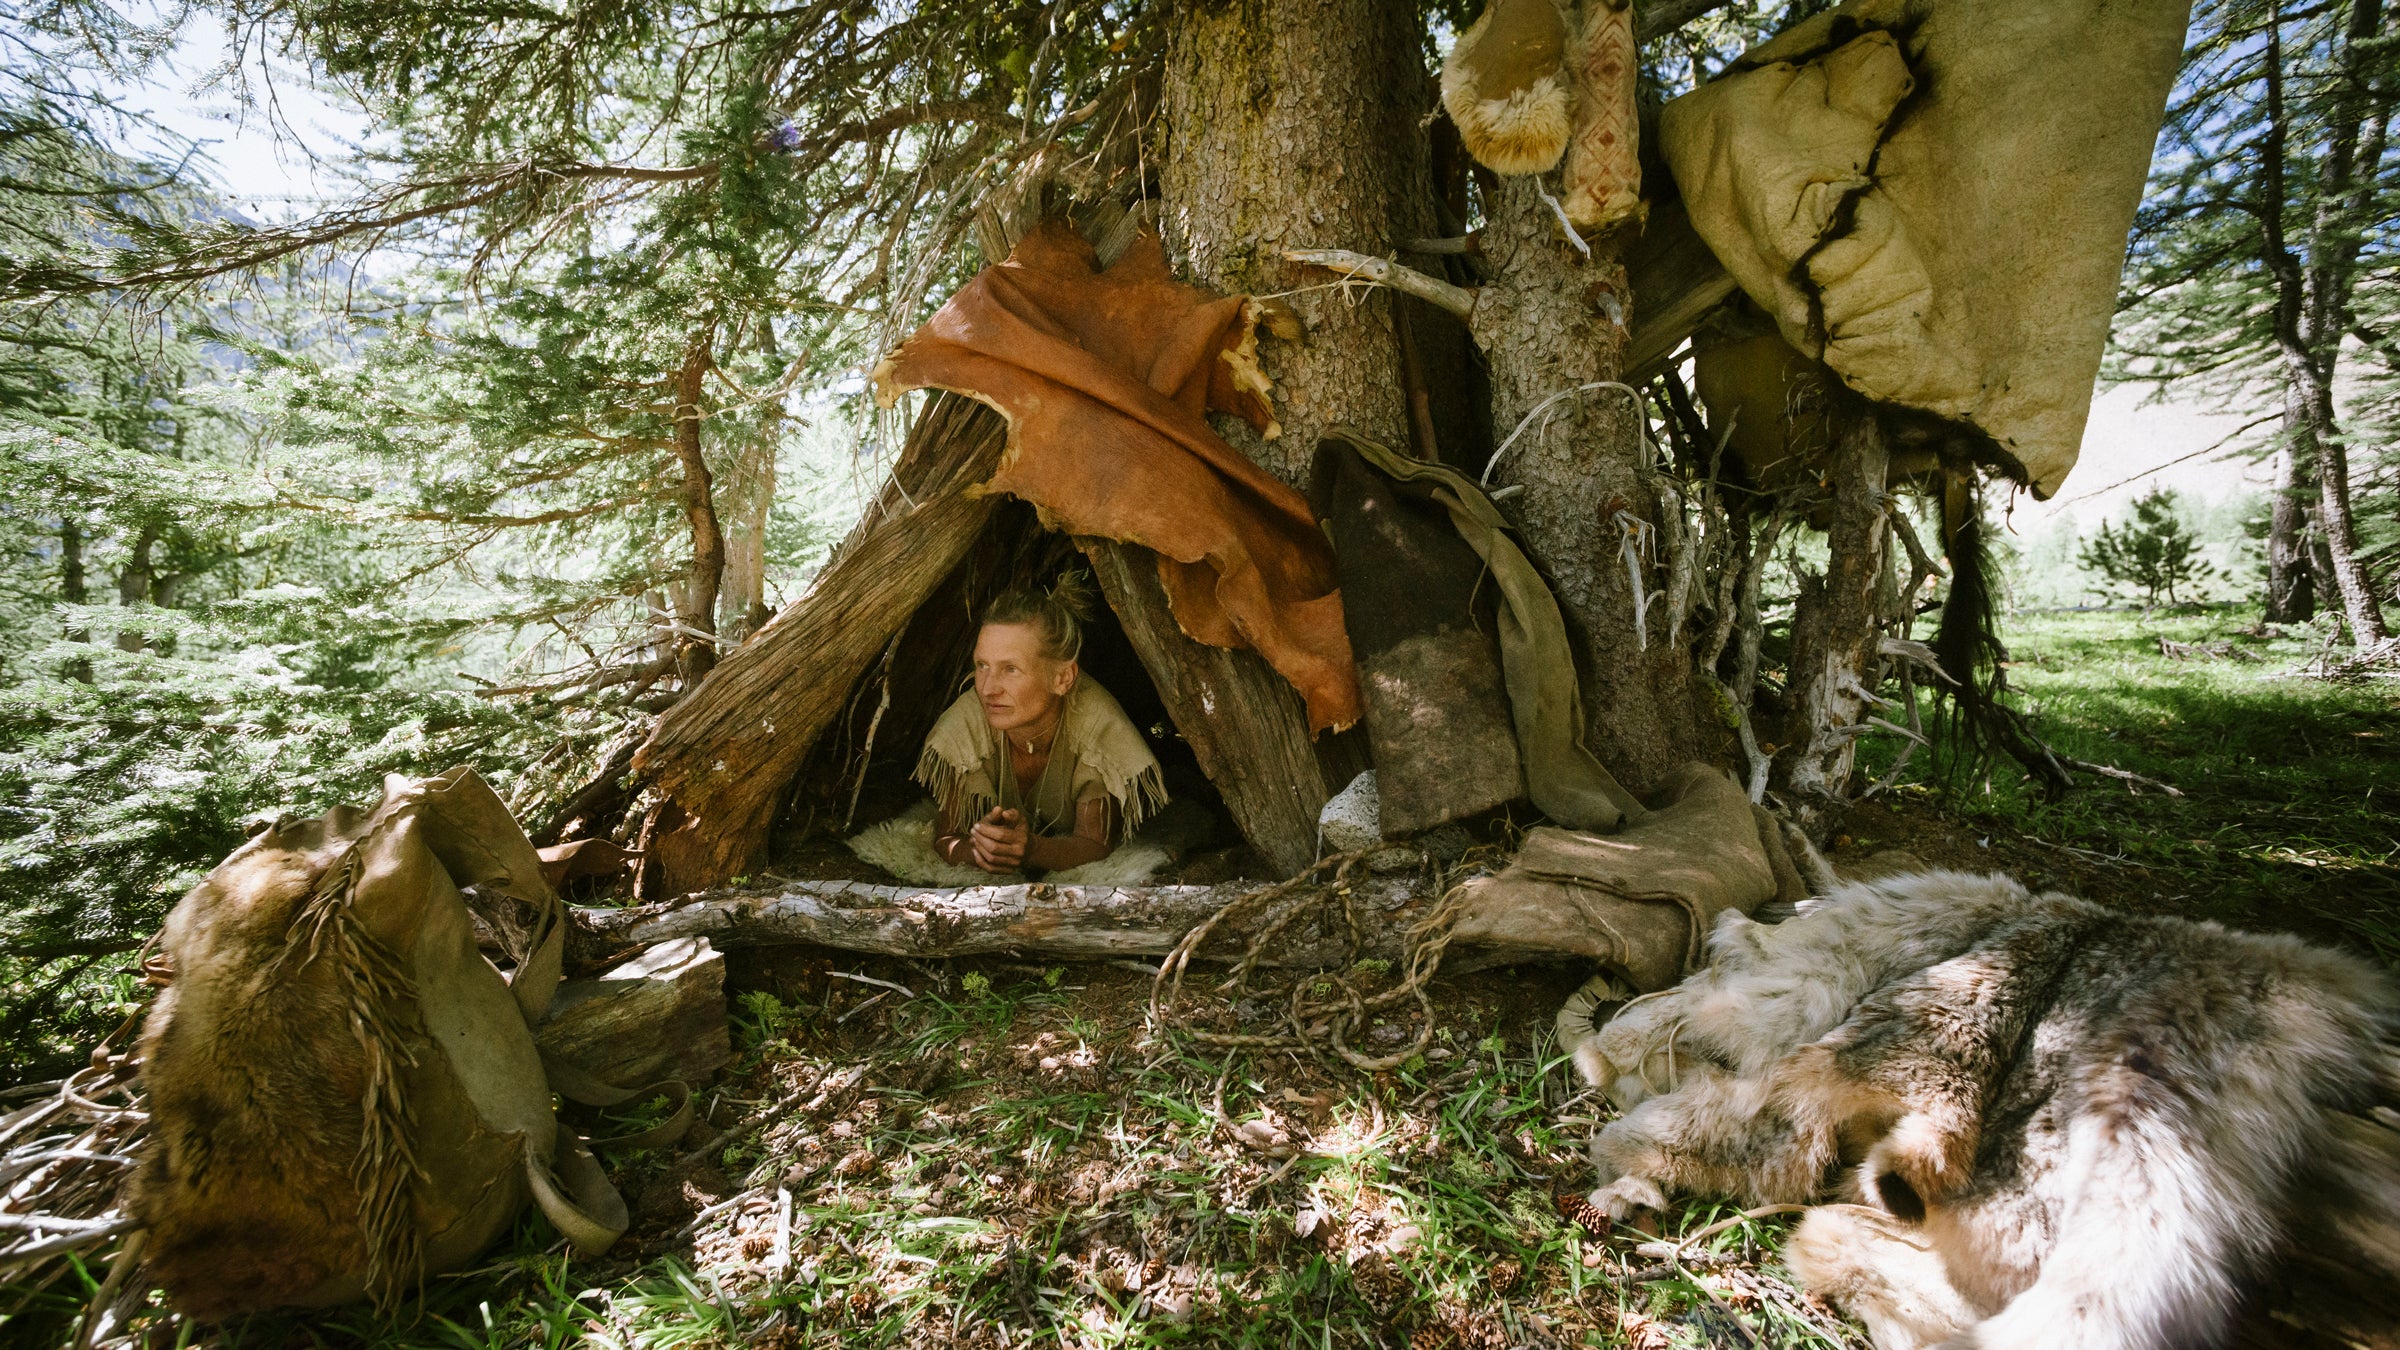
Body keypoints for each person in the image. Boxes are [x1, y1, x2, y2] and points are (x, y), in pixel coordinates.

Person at [917, 575, 1166, 874]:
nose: (987, 688)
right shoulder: (967, 724)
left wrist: (1032, 849)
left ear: (1062, 679)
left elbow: (1096, 845)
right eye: (982, 665)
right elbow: (948, 838)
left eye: (1010, 669)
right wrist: (980, 849)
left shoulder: (1097, 725)